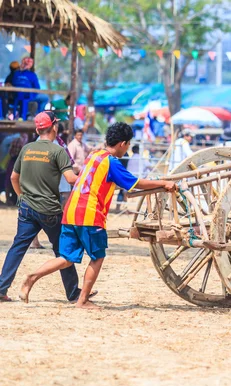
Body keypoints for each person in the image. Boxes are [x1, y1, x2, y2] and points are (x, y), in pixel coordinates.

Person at [19, 122, 177, 309]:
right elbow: (135, 184)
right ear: (122, 143)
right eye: (127, 145)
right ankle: (83, 300)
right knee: (97, 257)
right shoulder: (112, 162)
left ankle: (32, 277)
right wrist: (165, 183)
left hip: (70, 212)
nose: (126, 150)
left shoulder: (94, 156)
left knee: (66, 257)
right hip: (89, 214)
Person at [0, 111, 82, 302]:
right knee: (63, 250)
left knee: (18, 247)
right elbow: (71, 179)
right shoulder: (57, 151)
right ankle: (73, 293)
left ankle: (2, 287)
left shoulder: (27, 148)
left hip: (26, 207)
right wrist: (89, 180)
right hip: (49, 210)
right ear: (54, 127)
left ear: (38, 129)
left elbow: (14, 178)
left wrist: (21, 197)